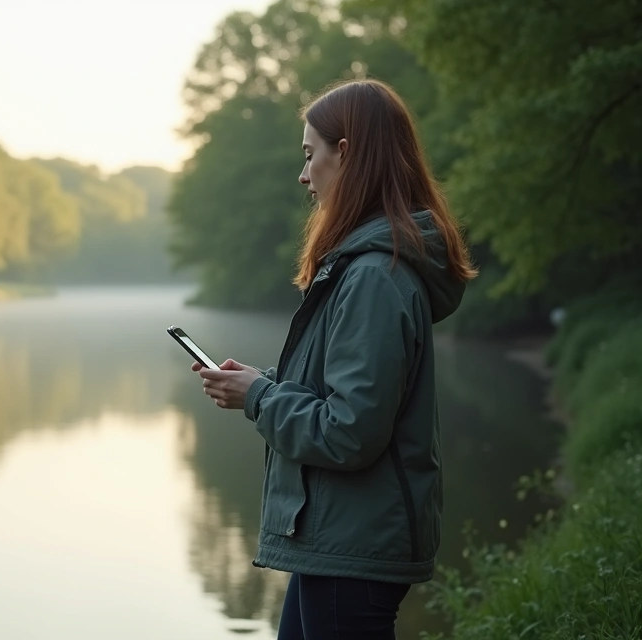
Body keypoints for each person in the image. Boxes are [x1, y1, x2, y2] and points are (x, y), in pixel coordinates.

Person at [191, 78, 478, 639]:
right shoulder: (367, 268)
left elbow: (349, 431)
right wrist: (262, 383)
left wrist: (259, 398)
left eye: (309, 155)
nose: (303, 175)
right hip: (335, 541)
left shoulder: (373, 276)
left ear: (343, 153)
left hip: (353, 544)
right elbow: (344, 395)